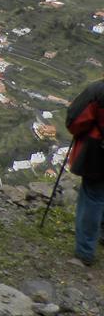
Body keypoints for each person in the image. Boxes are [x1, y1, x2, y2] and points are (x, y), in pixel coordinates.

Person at [65, 79, 104, 265]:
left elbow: (75, 120)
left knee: (93, 197)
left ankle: (85, 251)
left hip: (99, 154)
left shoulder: (98, 91)